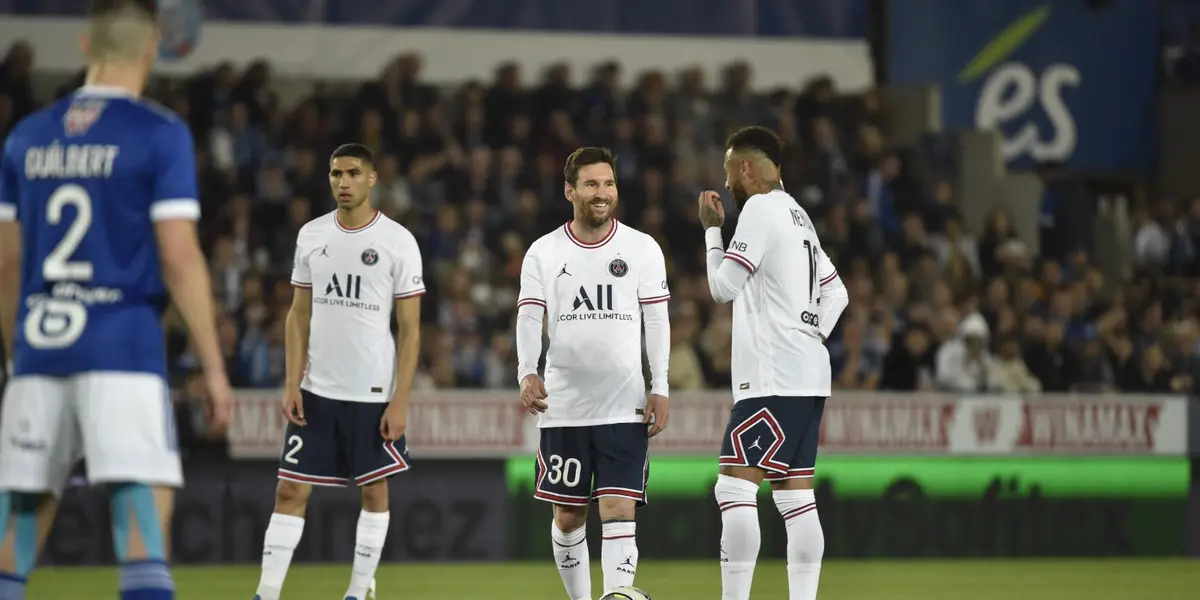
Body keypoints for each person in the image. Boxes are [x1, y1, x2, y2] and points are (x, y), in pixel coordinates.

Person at [0, 1, 234, 599]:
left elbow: (5, 262)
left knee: (15, 532)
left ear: (86, 47)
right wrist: (212, 365)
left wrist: (16, 353)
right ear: (152, 50)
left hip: (39, 350)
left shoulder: (26, 137)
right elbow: (179, 255)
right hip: (123, 349)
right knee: (141, 528)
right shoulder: (159, 134)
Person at [252, 143, 423, 600]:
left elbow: (410, 330)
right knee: (289, 492)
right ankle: (266, 593)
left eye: (351, 173)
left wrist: (400, 398)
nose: (342, 182)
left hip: (371, 394)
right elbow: (297, 314)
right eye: (334, 174)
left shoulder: (397, 241)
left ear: (371, 179)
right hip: (317, 391)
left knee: (374, 494)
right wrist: (292, 381)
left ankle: (357, 589)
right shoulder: (311, 235)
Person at [698, 126, 848, 600]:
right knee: (796, 499)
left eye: (728, 171)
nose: (725, 185)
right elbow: (837, 292)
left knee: (734, 491)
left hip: (772, 378)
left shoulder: (761, 209)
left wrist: (710, 230)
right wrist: (809, 332)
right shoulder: (799, 215)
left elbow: (723, 288)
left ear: (745, 168)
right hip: (807, 374)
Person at [516, 147, 671, 600]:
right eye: (590, 184)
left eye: (608, 184)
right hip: (563, 404)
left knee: (620, 508)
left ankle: (618, 596)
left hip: (624, 402)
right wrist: (527, 372)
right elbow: (529, 317)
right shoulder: (543, 252)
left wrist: (659, 386)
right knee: (568, 516)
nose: (601, 193)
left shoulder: (642, 247)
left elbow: (657, 321)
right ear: (570, 190)